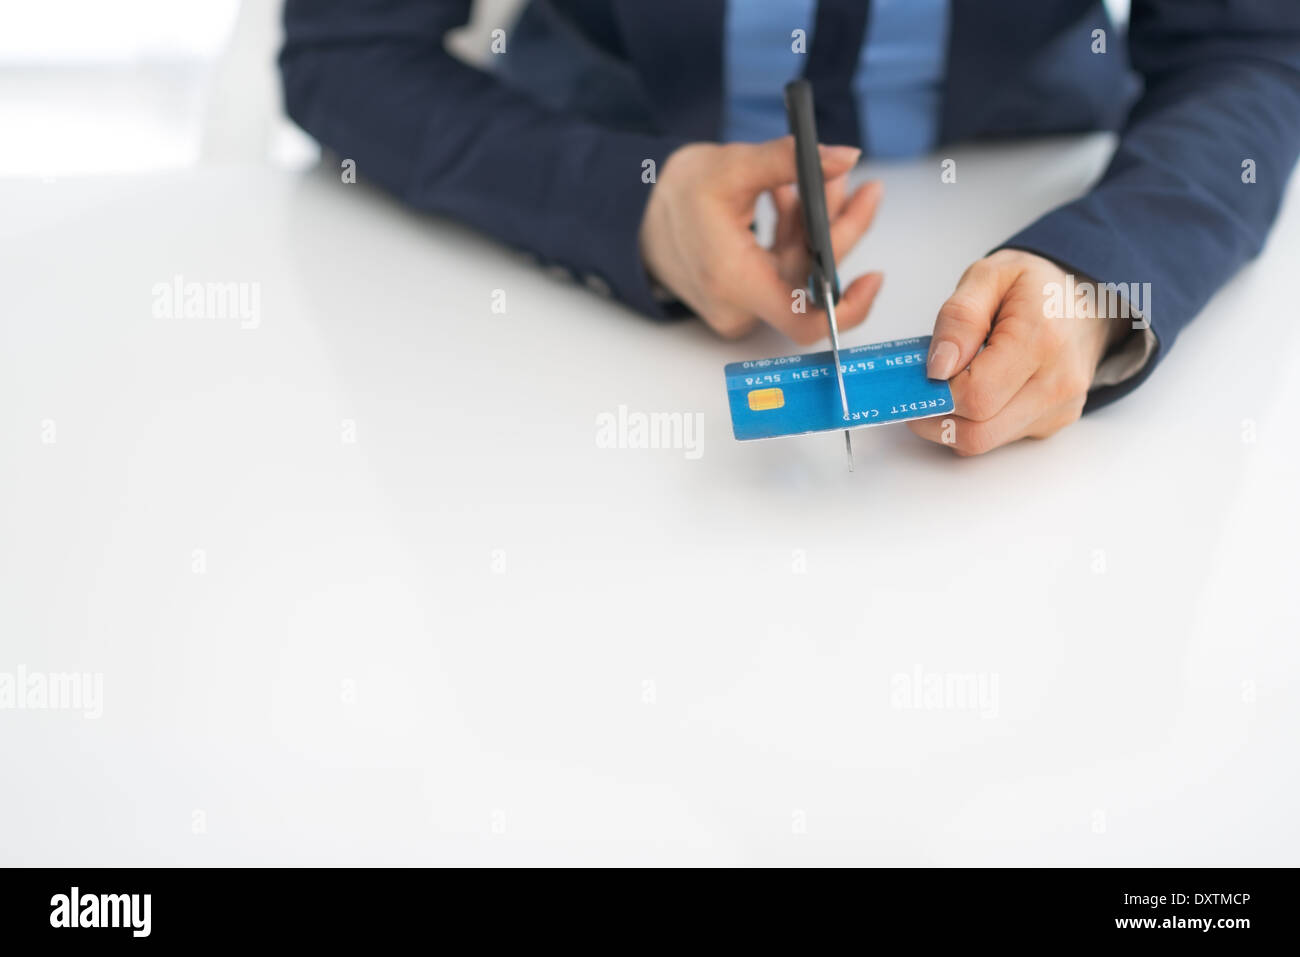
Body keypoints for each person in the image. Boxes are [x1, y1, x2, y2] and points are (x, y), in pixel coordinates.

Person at [280, 0, 1300, 455]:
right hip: (581, 153)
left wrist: (1103, 270)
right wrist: (625, 202)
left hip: (1033, 148)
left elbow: (1250, 48)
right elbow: (348, 47)